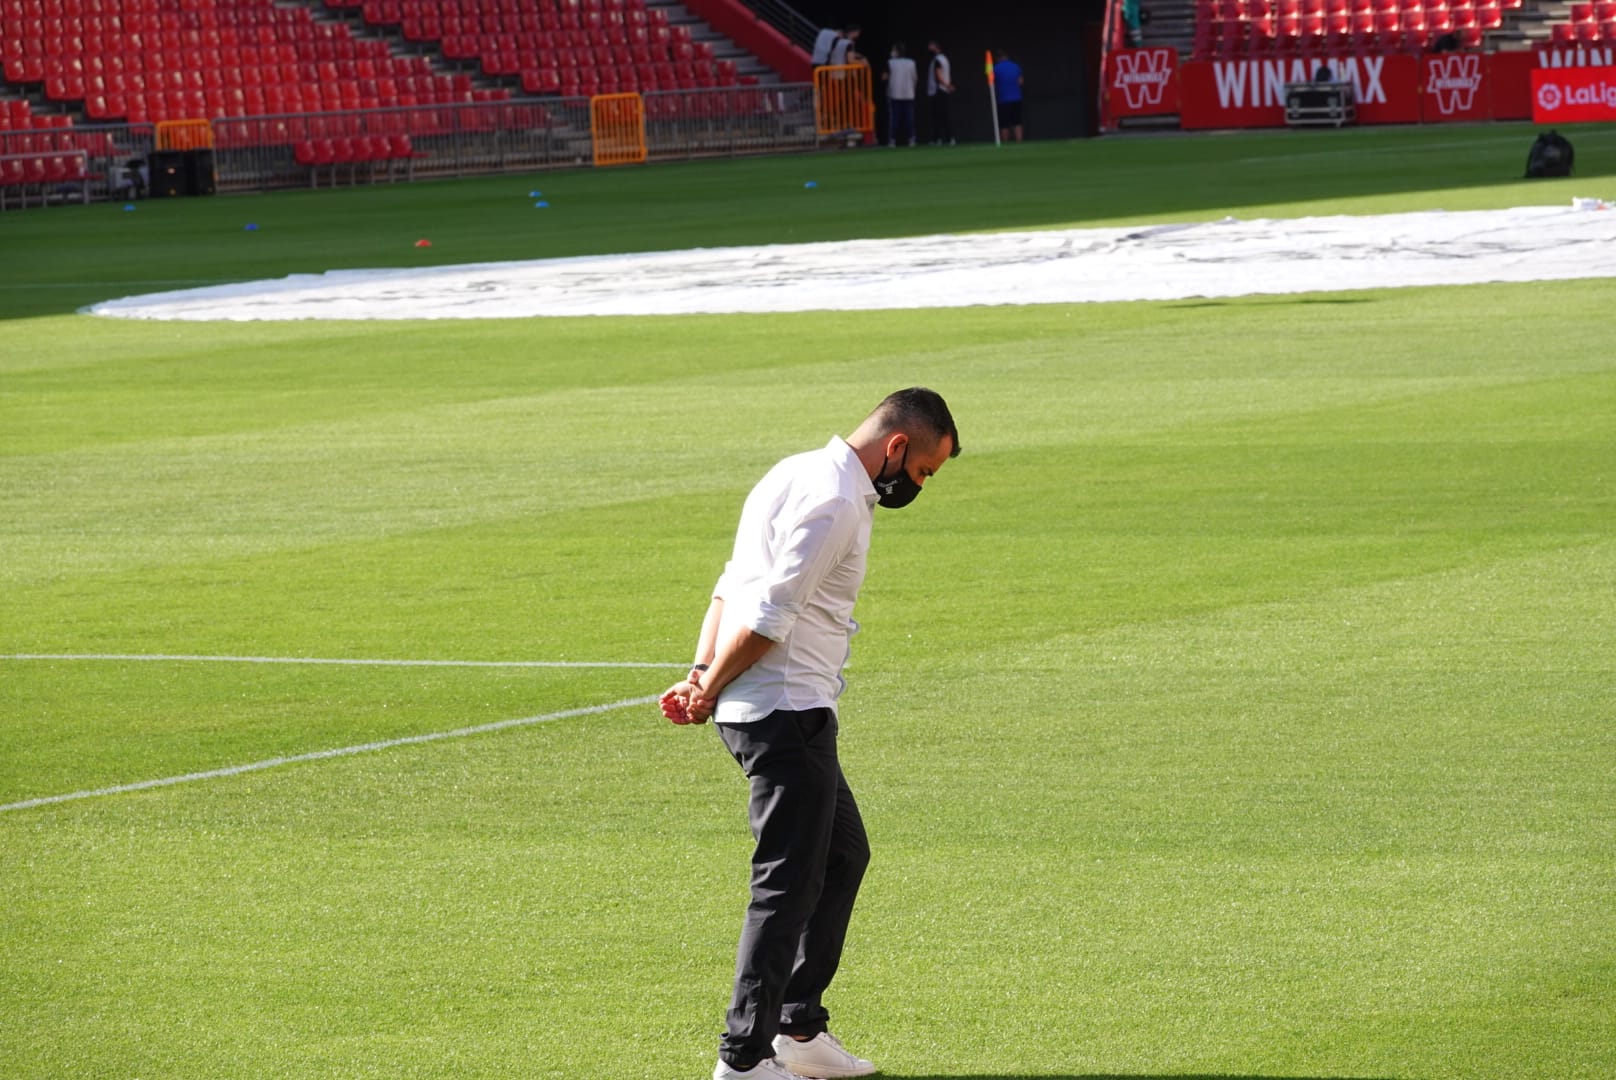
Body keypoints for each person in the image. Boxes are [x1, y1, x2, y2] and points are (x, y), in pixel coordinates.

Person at [661, 388, 962, 1080]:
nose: (917, 487)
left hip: (779, 709)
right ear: (896, 447)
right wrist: (705, 685)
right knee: (787, 886)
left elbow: (725, 588)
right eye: (922, 472)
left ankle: (798, 1027)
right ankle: (742, 1059)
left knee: (842, 856)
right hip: (784, 714)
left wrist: (702, 671)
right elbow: (769, 614)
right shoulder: (831, 500)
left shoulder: (791, 472)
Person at [883, 42, 918, 147]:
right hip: (908, 93)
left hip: (895, 94)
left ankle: (892, 140)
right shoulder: (911, 63)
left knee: (894, 118)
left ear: (897, 52)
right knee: (909, 118)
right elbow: (915, 78)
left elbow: (884, 77)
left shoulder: (890, 62)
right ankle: (911, 139)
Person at [926, 40, 955, 145]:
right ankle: (949, 138)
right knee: (944, 115)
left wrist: (947, 85)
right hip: (943, 89)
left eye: (931, 46)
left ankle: (938, 138)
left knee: (938, 116)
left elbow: (938, 75)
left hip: (938, 90)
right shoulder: (944, 59)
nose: (929, 48)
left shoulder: (938, 60)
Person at [992, 50, 1024, 143]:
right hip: (1016, 98)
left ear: (998, 58)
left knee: (1004, 123)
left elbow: (991, 82)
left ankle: (1005, 143)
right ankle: (1019, 142)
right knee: (1017, 121)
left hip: (1003, 99)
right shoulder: (1015, 66)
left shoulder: (996, 68)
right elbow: (1020, 81)